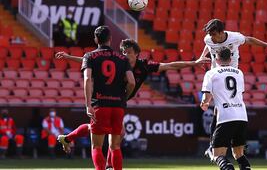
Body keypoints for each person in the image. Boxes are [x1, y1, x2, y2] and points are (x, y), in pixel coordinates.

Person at [56, 39, 207, 169]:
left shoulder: (143, 66)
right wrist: (69, 57)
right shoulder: (119, 63)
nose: (125, 54)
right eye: (123, 52)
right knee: (115, 133)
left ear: (136, 53)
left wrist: (194, 63)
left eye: (128, 52)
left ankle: (69, 139)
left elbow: (170, 66)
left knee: (106, 132)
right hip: (105, 100)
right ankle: (107, 164)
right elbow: (90, 60)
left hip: (117, 102)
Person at [197, 19, 267, 161]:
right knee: (219, 109)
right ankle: (221, 145)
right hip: (217, 74)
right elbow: (208, 44)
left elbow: (249, 39)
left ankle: (217, 145)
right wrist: (202, 56)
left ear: (221, 32)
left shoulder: (234, 37)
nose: (211, 37)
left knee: (221, 109)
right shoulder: (208, 39)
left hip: (233, 72)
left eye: (213, 34)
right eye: (210, 34)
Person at [82, 26, 135, 170]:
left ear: (95, 39)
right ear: (110, 39)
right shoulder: (122, 58)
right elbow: (131, 82)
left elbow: (87, 79)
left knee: (97, 146)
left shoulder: (89, 56)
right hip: (118, 106)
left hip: (100, 104)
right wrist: (123, 97)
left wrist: (88, 104)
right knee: (115, 146)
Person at [200, 47, 250, 170]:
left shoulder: (211, 73)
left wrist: (204, 103)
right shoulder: (239, 72)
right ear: (230, 58)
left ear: (216, 58)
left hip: (226, 117)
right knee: (239, 154)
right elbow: (238, 93)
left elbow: (206, 97)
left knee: (218, 154)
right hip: (242, 116)